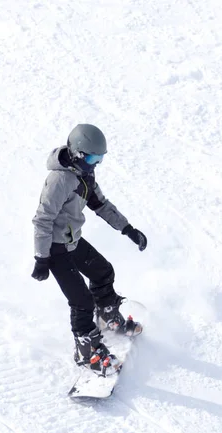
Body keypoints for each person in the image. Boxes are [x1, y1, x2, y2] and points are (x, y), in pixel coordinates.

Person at [31, 124, 147, 376]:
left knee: (103, 272)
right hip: (55, 248)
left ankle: (107, 317)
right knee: (81, 301)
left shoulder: (84, 176)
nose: (97, 163)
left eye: (100, 159)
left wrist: (128, 229)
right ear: (77, 154)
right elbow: (42, 219)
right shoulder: (59, 180)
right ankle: (86, 352)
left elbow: (101, 205)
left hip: (73, 240)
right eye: (93, 158)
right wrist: (41, 258)